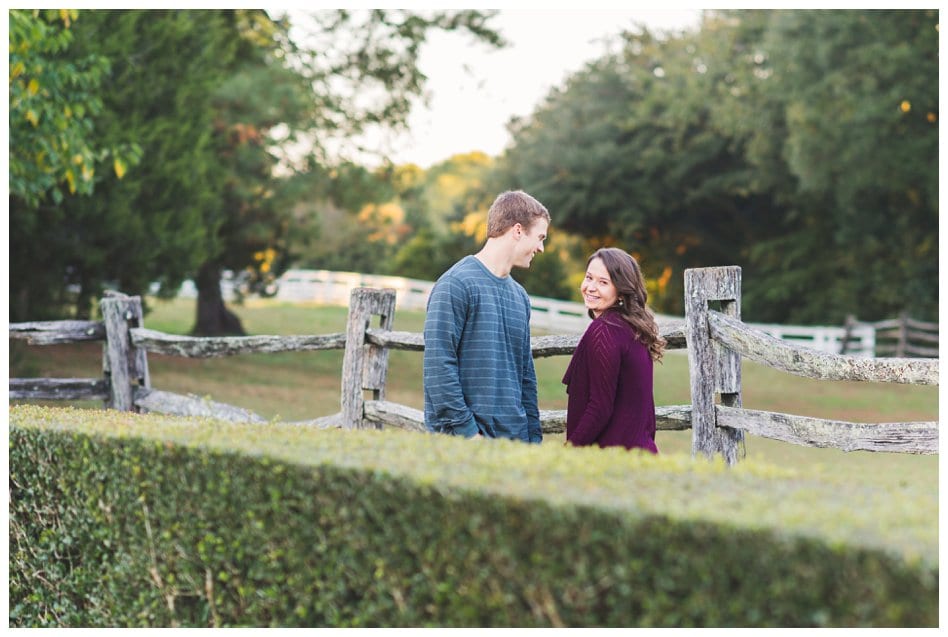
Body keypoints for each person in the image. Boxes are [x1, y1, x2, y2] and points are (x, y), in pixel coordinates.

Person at [423, 190, 550, 443]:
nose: (541, 248)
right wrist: (469, 434)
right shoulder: (455, 284)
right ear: (517, 230)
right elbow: (439, 366)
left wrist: (533, 439)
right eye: (540, 237)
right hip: (462, 445)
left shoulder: (520, 297)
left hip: (514, 445)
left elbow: (525, 375)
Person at [562, 247, 666, 452]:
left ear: (620, 290)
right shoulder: (632, 329)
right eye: (589, 278)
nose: (591, 287)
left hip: (611, 460)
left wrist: (569, 451)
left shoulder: (605, 330)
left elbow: (599, 407)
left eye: (603, 282)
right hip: (639, 454)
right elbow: (648, 413)